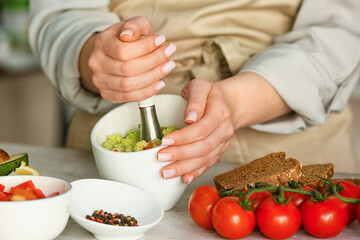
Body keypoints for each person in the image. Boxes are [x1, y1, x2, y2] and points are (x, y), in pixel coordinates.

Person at [29, 0, 360, 183]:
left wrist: (238, 100)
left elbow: (342, 30)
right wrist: (95, 55)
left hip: (297, 154)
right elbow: (60, 15)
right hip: (108, 163)